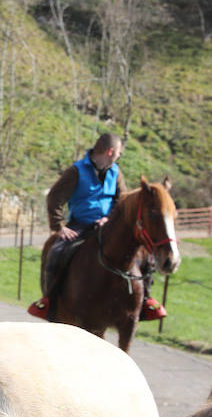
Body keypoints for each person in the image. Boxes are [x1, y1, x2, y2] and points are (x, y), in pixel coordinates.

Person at [27, 133, 166, 320]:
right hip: (80, 224)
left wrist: (109, 218)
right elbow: (54, 197)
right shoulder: (76, 171)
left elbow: (121, 200)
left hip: (109, 225)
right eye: (118, 153)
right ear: (110, 151)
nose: (118, 156)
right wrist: (59, 227)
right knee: (56, 252)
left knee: (144, 255)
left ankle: (147, 300)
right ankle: (49, 300)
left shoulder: (116, 172)